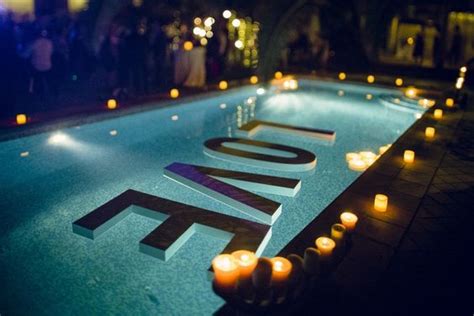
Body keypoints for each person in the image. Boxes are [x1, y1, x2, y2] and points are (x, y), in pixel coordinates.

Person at [29, 30, 54, 107]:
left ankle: (33, 93)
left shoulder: (35, 43)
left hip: (37, 67)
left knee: (34, 79)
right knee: (47, 80)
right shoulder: (50, 42)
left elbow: (25, 54)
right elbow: (51, 52)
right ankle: (49, 95)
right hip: (48, 66)